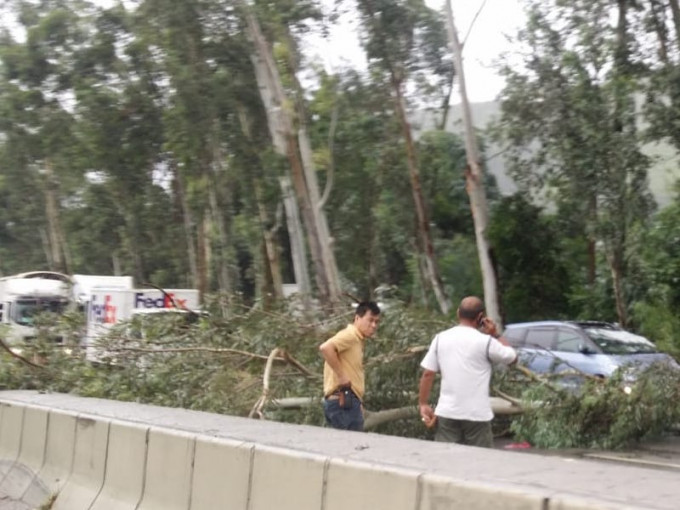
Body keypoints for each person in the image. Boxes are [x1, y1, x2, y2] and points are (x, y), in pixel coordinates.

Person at [418, 296, 517, 448]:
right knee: (480, 462)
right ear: (480, 317)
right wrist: (495, 334)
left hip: (447, 412)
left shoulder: (440, 338)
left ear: (458, 313)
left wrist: (423, 403)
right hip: (476, 414)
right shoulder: (486, 342)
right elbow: (512, 358)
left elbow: (428, 374)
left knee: (445, 459)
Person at [319, 301, 381, 431]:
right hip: (342, 403)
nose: (374, 325)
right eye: (370, 320)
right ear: (357, 318)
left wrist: (357, 401)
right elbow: (326, 348)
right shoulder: (350, 335)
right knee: (351, 448)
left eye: (376, 322)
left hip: (348, 402)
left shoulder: (357, 339)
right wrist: (342, 377)